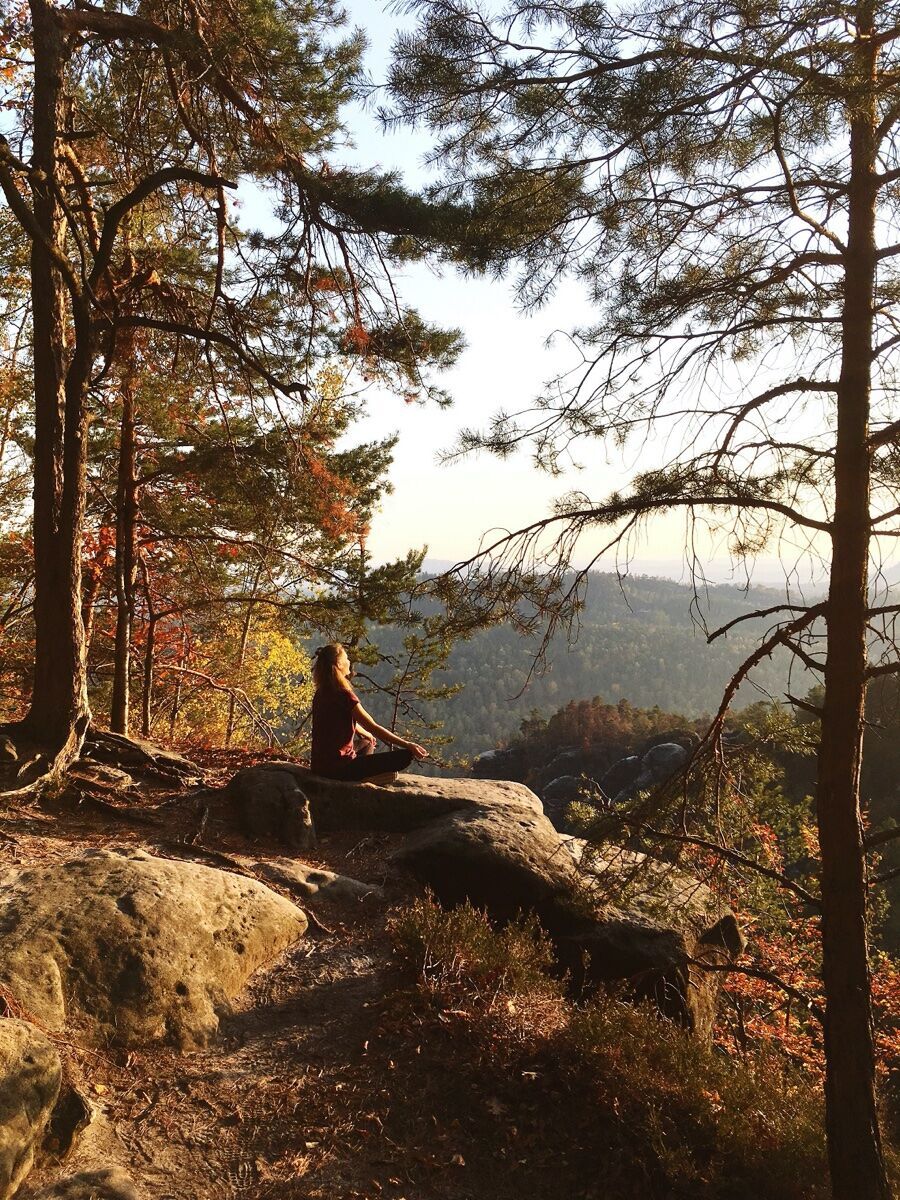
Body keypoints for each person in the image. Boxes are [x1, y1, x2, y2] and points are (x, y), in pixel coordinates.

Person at [310, 643, 427, 784]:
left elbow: (336, 720)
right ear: (339, 664)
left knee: (367, 742)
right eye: (346, 659)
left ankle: (363, 774)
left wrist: (364, 732)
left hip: (319, 766)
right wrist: (408, 744)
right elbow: (373, 726)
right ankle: (362, 777)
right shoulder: (344, 695)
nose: (349, 662)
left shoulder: (321, 693)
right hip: (339, 769)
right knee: (406, 756)